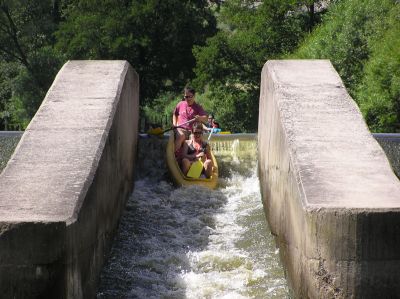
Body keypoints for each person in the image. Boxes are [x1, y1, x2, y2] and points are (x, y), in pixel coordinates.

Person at [172, 87, 207, 152]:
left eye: (189, 96)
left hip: (192, 131)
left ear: (194, 96)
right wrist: (174, 124)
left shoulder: (198, 107)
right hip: (181, 129)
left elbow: (205, 119)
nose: (187, 99)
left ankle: (194, 157)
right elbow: (175, 114)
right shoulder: (180, 104)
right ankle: (174, 155)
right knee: (181, 136)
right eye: (186, 97)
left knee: (193, 139)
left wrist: (200, 118)